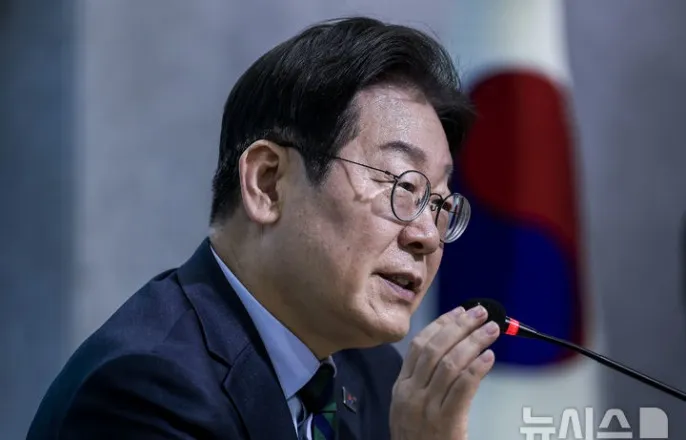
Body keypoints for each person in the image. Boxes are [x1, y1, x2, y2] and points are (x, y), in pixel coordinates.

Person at [27, 16, 500, 440]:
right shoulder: (146, 390)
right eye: (401, 184)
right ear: (268, 183)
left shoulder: (374, 375)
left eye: (439, 203)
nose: (427, 236)